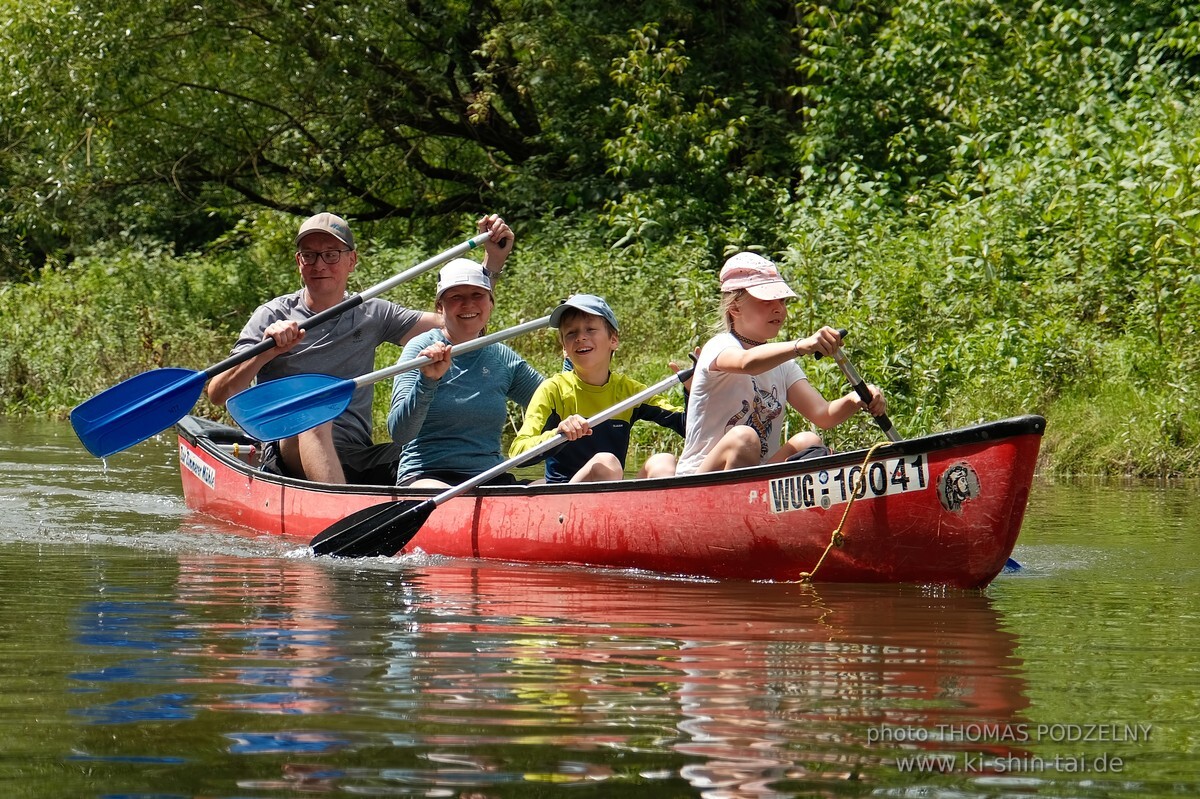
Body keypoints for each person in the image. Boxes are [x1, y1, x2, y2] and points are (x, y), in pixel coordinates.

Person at [206, 212, 514, 484]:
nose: (319, 264)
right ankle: (340, 518)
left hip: (356, 454)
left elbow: (463, 321)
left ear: (351, 260)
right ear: (299, 262)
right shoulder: (272, 315)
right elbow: (218, 394)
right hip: (288, 449)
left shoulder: (373, 313)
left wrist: (492, 264)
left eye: (331, 254)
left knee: (425, 446)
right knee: (316, 416)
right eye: (309, 255)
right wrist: (267, 350)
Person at [675, 252, 887, 476]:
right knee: (744, 437)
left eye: (782, 300)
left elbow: (823, 414)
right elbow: (746, 363)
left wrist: (858, 398)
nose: (779, 309)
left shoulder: (784, 365)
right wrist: (801, 345)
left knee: (809, 441)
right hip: (700, 476)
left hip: (757, 476)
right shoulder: (719, 345)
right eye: (767, 301)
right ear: (735, 308)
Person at [387, 259, 544, 488]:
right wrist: (427, 381)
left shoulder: (501, 356)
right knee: (439, 493)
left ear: (490, 303)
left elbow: (552, 401)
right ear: (440, 307)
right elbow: (400, 434)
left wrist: (572, 362)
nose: (468, 304)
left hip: (489, 477)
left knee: (553, 485)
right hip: (429, 476)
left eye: (477, 295)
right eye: (456, 297)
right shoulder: (419, 348)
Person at [508, 295, 685, 483]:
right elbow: (518, 452)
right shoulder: (552, 390)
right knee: (605, 462)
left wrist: (694, 391)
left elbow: (687, 426)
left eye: (590, 329)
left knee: (663, 461)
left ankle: (659, 512)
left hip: (611, 491)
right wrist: (558, 434)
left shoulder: (629, 392)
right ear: (565, 349)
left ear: (613, 340)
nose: (581, 337)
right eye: (571, 333)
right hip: (563, 497)